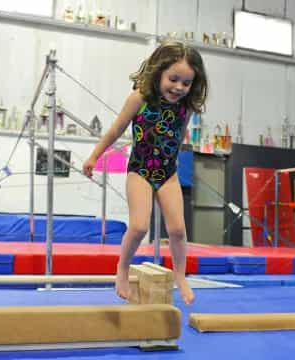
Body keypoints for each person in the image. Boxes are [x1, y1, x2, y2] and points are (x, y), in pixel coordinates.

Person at [83, 41, 208, 305]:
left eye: (186, 83)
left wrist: (170, 168)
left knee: (177, 229)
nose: (178, 87)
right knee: (139, 226)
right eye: (173, 79)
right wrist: (95, 156)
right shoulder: (139, 98)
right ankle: (122, 269)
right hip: (140, 169)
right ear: (159, 72)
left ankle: (181, 275)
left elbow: (177, 137)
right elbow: (116, 130)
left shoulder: (185, 108)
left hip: (168, 173)